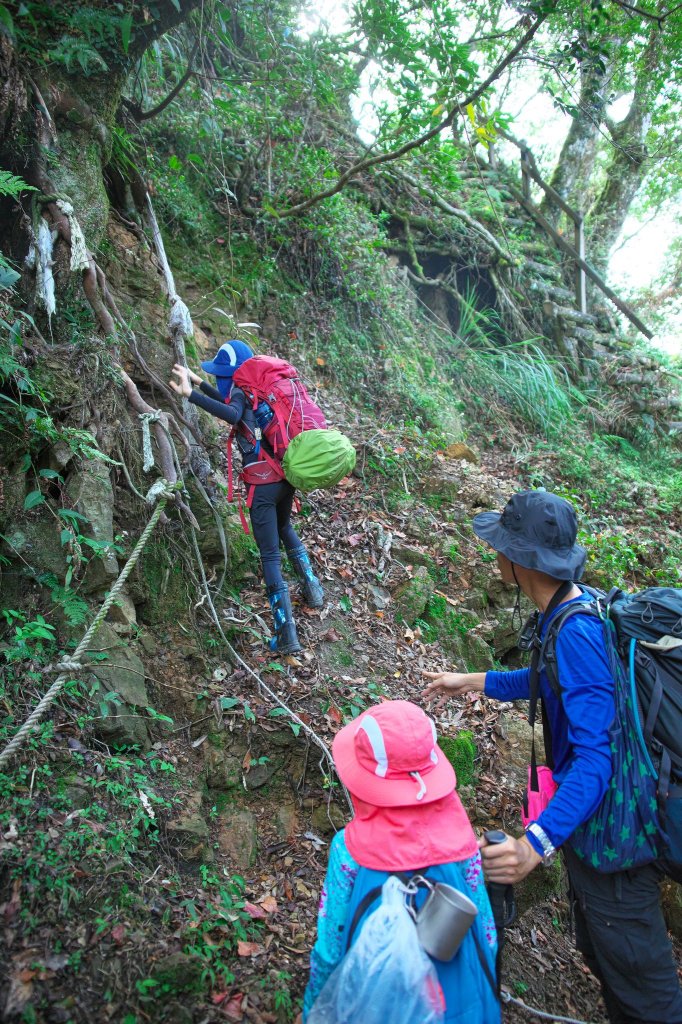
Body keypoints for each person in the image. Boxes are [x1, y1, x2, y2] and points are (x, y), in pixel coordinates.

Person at [423, 489, 682, 1024]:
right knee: (604, 957)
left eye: (500, 546)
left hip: (616, 841)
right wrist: (469, 681)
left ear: (521, 562)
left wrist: (534, 845)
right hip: (595, 832)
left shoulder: (576, 632)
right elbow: (546, 678)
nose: (494, 555)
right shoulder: (566, 607)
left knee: (645, 995)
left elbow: (596, 760)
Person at [303, 700, 500, 1024]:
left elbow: (330, 951)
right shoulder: (464, 843)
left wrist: (314, 1010)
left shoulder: (349, 852)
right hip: (464, 1008)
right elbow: (487, 937)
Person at [169, 341, 324, 655]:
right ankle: (314, 588)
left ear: (232, 372)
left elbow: (230, 412)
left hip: (263, 484)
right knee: (284, 529)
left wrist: (190, 394)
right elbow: (237, 408)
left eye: (221, 373)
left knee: (269, 555)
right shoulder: (258, 387)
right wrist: (201, 384)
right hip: (284, 475)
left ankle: (286, 634)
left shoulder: (242, 390)